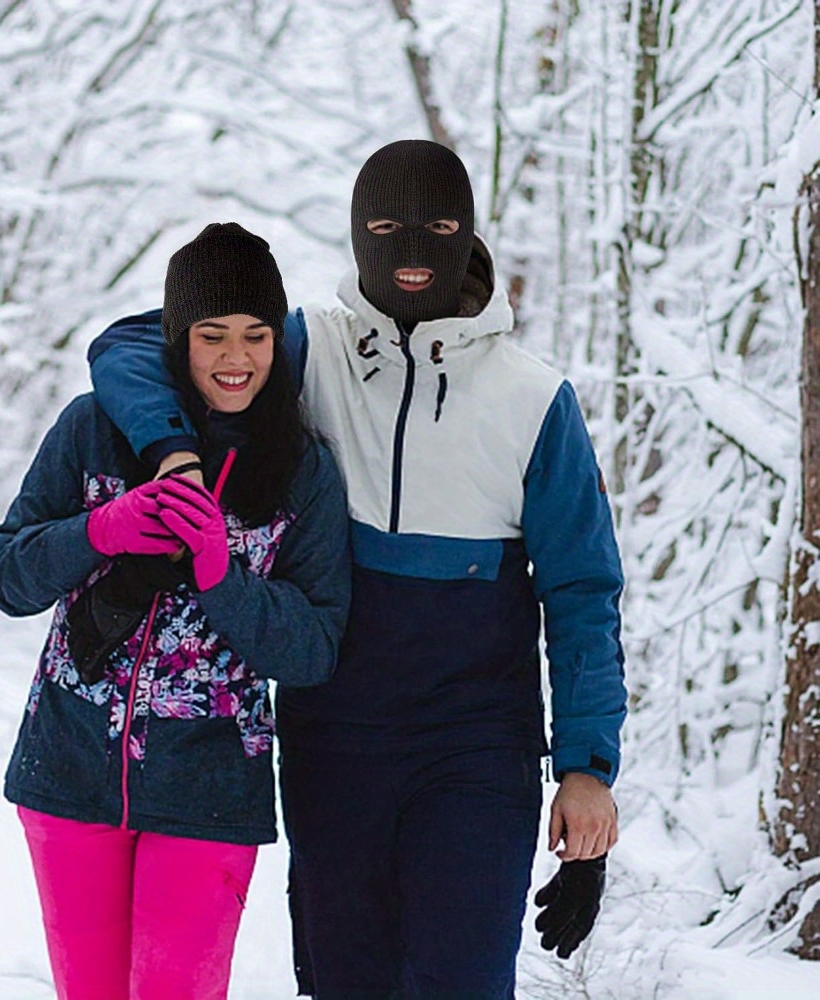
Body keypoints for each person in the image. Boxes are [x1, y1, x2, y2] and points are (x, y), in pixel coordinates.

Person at [86, 141, 627, 998]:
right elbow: (128, 346)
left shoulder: (535, 399)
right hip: (333, 737)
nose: (412, 254)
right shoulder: (306, 351)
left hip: (476, 746)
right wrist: (170, 448)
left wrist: (587, 767)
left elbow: (583, 594)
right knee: (346, 981)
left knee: (461, 980)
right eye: (385, 227)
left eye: (439, 227)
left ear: (468, 233)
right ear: (354, 233)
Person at [0, 223, 351, 1000]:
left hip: (210, 789)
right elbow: (8, 579)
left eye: (255, 336)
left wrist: (225, 578)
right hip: (70, 770)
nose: (234, 358)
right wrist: (97, 531)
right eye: (211, 335)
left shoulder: (304, 469)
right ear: (177, 339)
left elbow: (315, 648)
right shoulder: (95, 429)